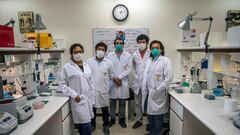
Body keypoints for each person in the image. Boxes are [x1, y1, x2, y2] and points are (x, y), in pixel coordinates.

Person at [58, 43, 95, 135]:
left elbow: (91, 82)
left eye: (80, 51)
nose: (78, 54)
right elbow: (62, 85)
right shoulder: (67, 67)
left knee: (85, 124)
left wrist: (93, 97)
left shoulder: (87, 66)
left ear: (82, 52)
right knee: (86, 126)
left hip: (88, 99)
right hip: (78, 100)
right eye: (75, 52)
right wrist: (74, 95)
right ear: (71, 54)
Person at [142, 40, 173, 135]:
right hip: (148, 93)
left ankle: (156, 133)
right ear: (150, 50)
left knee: (158, 117)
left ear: (161, 49)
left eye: (157, 48)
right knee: (149, 115)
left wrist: (158, 90)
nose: (155, 49)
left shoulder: (165, 61)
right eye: (152, 48)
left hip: (158, 93)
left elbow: (169, 78)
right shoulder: (149, 61)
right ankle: (153, 132)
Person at [87, 42, 114, 135]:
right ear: (95, 50)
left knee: (105, 109)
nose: (100, 51)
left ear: (105, 51)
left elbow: (112, 76)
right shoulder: (89, 61)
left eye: (103, 49)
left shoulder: (109, 63)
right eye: (99, 49)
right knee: (92, 108)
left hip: (104, 90)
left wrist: (107, 87)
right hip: (92, 90)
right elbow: (86, 76)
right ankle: (93, 124)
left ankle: (106, 125)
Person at [107, 38, 132, 128]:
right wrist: (114, 78)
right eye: (117, 43)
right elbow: (108, 69)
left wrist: (119, 77)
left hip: (123, 81)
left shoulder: (128, 55)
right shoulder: (109, 55)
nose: (119, 45)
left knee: (122, 102)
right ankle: (112, 119)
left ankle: (121, 119)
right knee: (112, 102)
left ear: (123, 45)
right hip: (112, 81)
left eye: (120, 43)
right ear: (114, 44)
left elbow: (129, 68)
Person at [131, 34, 150, 129]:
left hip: (148, 83)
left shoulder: (151, 53)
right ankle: (139, 120)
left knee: (148, 104)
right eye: (139, 42)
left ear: (147, 43)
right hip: (138, 83)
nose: (141, 44)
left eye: (143, 42)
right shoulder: (135, 54)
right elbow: (134, 66)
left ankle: (149, 123)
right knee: (138, 103)